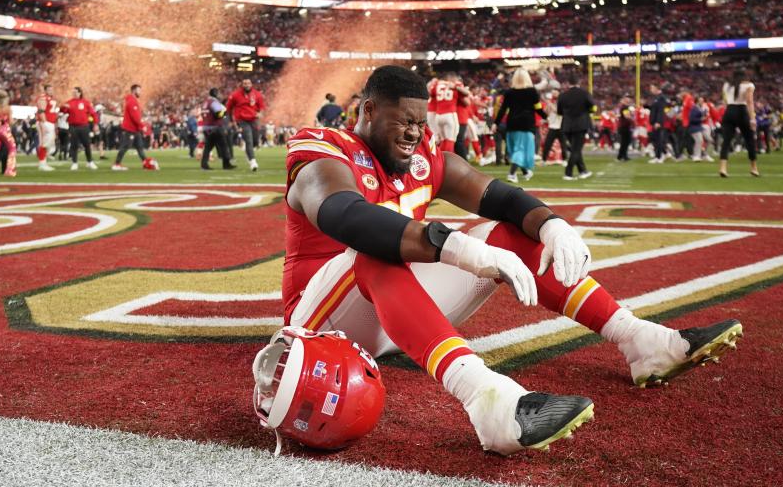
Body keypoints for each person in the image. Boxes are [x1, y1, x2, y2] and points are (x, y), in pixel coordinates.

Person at [274, 66, 742, 455]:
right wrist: (451, 245)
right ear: (368, 110)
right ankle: (489, 401)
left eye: (422, 122)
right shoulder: (324, 147)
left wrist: (550, 223)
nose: (415, 133)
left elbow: (497, 195)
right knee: (378, 245)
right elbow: (344, 214)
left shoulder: (423, 158)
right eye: (404, 121)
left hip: (383, 317)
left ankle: (640, 341)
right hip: (318, 324)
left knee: (505, 231)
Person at [493, 69, 542, 183]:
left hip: (512, 124)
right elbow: (538, 108)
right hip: (526, 124)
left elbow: (503, 109)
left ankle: (525, 172)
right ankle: (512, 173)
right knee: (520, 149)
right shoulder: (532, 91)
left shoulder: (509, 92)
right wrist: (546, 116)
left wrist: (496, 123)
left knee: (516, 149)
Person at [718, 68, 759, 178]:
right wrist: (752, 118)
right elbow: (749, 102)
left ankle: (723, 168)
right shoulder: (749, 85)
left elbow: (725, 101)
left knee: (726, 141)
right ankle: (754, 168)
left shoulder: (726, 85)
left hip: (729, 111)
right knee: (749, 140)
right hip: (742, 111)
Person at [557, 74, 594, 181]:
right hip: (580, 125)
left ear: (568, 83)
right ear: (579, 82)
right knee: (576, 150)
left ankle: (583, 171)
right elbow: (592, 107)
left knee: (575, 149)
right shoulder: (584, 93)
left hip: (567, 125)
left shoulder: (563, 95)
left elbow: (559, 111)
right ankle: (568, 173)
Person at [226, 78, 265, 172]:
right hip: (242, 120)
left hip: (253, 120)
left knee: (255, 141)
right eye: (245, 83)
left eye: (248, 83)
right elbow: (229, 108)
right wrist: (231, 120)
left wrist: (260, 114)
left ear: (251, 84)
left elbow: (262, 107)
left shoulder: (257, 94)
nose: (247, 85)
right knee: (249, 140)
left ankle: (249, 153)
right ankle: (253, 162)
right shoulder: (235, 95)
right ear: (242, 84)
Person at [60, 87, 98, 171]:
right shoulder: (69, 102)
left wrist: (95, 124)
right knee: (74, 145)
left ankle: (90, 161)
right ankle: (74, 162)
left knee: (87, 144)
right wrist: (63, 107)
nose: (74, 94)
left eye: (76, 92)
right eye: (73, 92)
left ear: (80, 93)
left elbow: (93, 114)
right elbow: (62, 111)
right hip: (73, 126)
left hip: (84, 126)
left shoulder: (86, 102)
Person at [112, 84, 150, 171]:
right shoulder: (132, 101)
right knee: (125, 146)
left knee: (139, 147)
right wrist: (142, 126)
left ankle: (145, 162)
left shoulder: (131, 100)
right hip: (131, 129)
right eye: (139, 90)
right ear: (134, 91)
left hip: (135, 129)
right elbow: (135, 116)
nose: (140, 92)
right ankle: (117, 164)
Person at [200, 87, 236, 170]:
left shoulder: (205, 102)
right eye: (218, 93)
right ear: (215, 94)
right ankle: (226, 164)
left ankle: (204, 164)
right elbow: (218, 114)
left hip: (206, 127)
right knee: (224, 145)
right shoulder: (214, 102)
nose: (219, 95)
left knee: (208, 147)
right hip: (215, 127)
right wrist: (225, 113)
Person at [35, 84, 58, 171]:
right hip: (44, 122)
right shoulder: (43, 98)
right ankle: (42, 163)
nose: (51, 91)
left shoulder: (51, 98)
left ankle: (44, 160)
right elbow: (41, 110)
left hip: (50, 122)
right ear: (45, 90)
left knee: (48, 142)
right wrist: (44, 121)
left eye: (52, 89)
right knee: (44, 143)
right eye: (49, 90)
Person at [648, 84, 668, 164]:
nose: (651, 90)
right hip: (655, 122)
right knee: (656, 140)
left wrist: (658, 122)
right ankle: (661, 155)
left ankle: (659, 157)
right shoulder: (657, 98)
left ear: (657, 88)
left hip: (658, 123)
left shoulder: (661, 98)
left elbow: (660, 111)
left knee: (658, 140)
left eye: (652, 88)